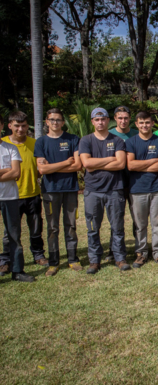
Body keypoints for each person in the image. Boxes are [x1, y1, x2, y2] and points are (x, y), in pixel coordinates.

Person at [79, 108, 130, 274]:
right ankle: (94, 260)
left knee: (117, 227)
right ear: (92, 121)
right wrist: (109, 159)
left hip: (114, 190)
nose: (100, 122)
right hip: (93, 191)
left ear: (108, 121)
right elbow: (86, 164)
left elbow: (121, 164)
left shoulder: (117, 141)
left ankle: (119, 257)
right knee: (93, 227)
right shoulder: (86, 141)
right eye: (97, 119)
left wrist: (96, 163)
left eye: (103, 119)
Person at [34, 108, 82, 276]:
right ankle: (53, 262)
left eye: (58, 120)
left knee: (70, 225)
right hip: (50, 191)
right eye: (52, 120)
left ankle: (73, 259)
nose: (55, 122)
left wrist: (51, 167)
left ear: (63, 122)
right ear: (47, 122)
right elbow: (42, 169)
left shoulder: (73, 139)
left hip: (70, 189)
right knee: (53, 227)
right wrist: (64, 163)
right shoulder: (40, 142)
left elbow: (77, 165)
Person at [0, 111, 48, 277]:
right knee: (10, 232)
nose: (20, 129)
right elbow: (14, 172)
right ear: (9, 126)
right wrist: (11, 171)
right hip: (11, 196)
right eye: (17, 126)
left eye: (24, 126)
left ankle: (38, 254)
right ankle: (5, 260)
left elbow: (39, 168)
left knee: (35, 228)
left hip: (32, 192)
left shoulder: (34, 143)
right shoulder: (4, 143)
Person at [126, 111, 158, 269]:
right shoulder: (131, 142)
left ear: (152, 124)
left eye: (147, 122)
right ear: (136, 124)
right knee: (140, 224)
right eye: (141, 123)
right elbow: (130, 165)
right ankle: (141, 252)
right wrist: (152, 161)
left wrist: (141, 165)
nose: (144, 125)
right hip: (137, 189)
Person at [0, 113, 34, 282]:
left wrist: (10, 171)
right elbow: (10, 171)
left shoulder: (10, 148)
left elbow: (16, 173)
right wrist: (5, 170)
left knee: (14, 234)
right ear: (9, 126)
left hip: (9, 197)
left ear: (1, 126)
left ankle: (17, 270)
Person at [106, 106, 138, 262]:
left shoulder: (136, 134)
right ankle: (114, 250)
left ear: (130, 119)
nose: (123, 121)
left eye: (126, 118)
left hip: (134, 181)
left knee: (137, 218)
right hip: (115, 181)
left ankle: (139, 248)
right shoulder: (110, 134)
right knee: (116, 218)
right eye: (120, 118)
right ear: (115, 119)